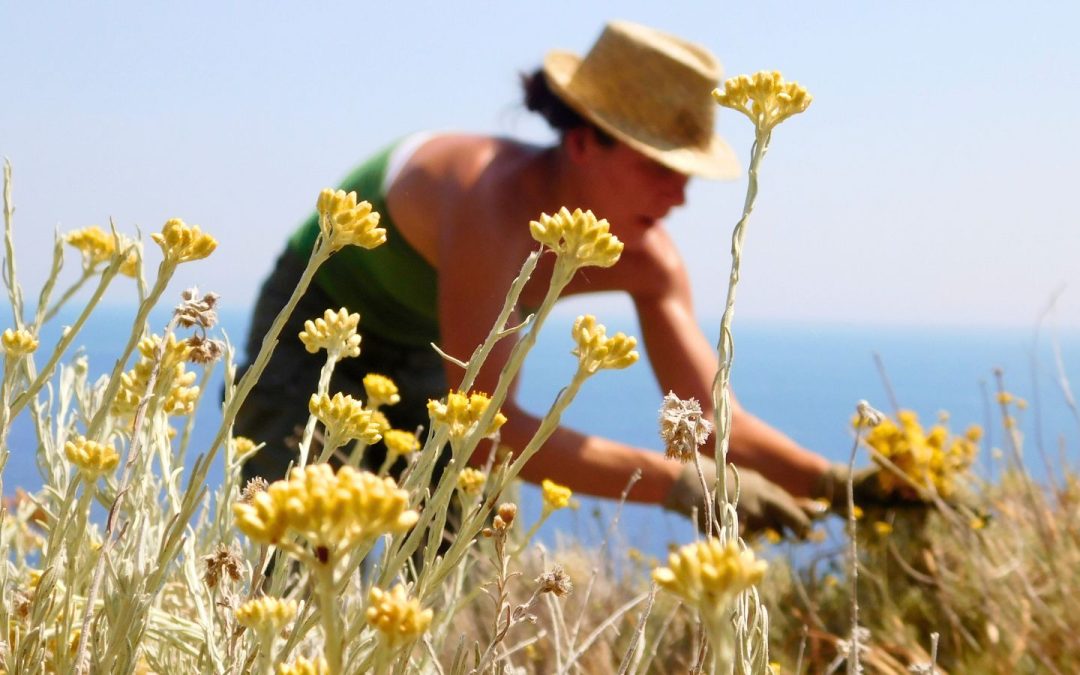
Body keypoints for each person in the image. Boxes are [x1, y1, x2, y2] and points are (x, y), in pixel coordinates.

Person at [236, 20, 878, 538]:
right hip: (316, 333)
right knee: (289, 556)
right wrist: (679, 484)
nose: (679, 194)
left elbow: (709, 420)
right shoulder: (490, 203)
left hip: (444, 356)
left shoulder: (649, 259)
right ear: (582, 143)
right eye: (660, 165)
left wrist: (837, 484)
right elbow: (482, 432)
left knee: (452, 567)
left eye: (686, 172)